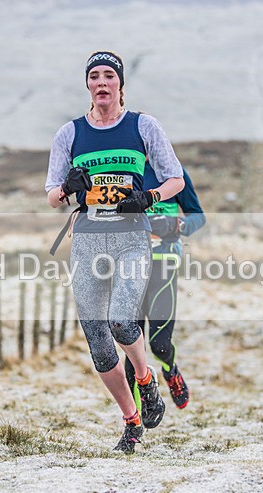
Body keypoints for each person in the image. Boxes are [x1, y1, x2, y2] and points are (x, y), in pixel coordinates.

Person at [45, 51, 185, 453]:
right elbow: (52, 195)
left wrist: (149, 196)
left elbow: (175, 178)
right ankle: (131, 421)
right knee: (98, 340)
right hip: (88, 239)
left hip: (131, 237)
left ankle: (145, 378)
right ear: (87, 85)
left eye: (109, 75)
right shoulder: (69, 134)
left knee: (122, 321)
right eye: (94, 76)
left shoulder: (143, 126)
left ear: (120, 84)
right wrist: (68, 187)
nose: (102, 82)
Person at [124, 164, 205, 413]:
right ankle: (136, 417)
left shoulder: (172, 171)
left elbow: (198, 216)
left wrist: (176, 224)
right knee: (132, 345)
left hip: (164, 262)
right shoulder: (124, 168)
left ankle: (170, 370)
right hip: (128, 264)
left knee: (159, 344)